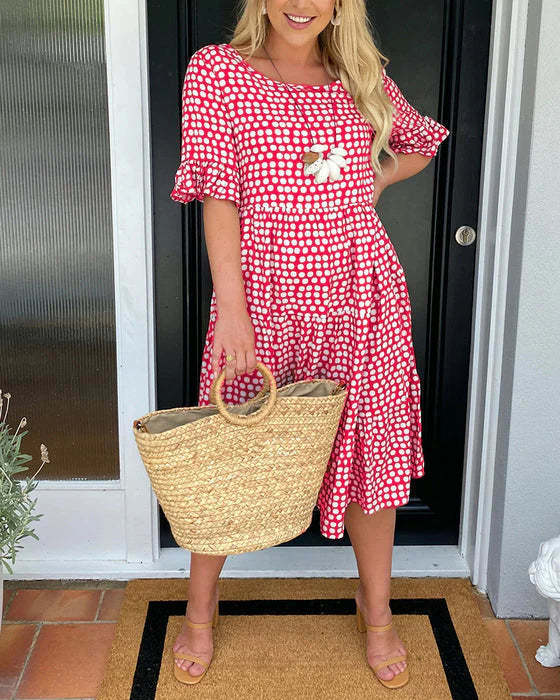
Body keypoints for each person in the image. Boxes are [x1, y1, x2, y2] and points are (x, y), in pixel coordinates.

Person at [169, 0, 449, 689]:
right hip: (261, 299)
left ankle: (376, 612)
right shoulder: (218, 71)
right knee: (232, 452)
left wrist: (375, 177)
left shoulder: (359, 73)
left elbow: (422, 141)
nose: (302, 4)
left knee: (370, 450)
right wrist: (232, 312)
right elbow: (217, 196)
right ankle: (199, 611)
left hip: (361, 295)